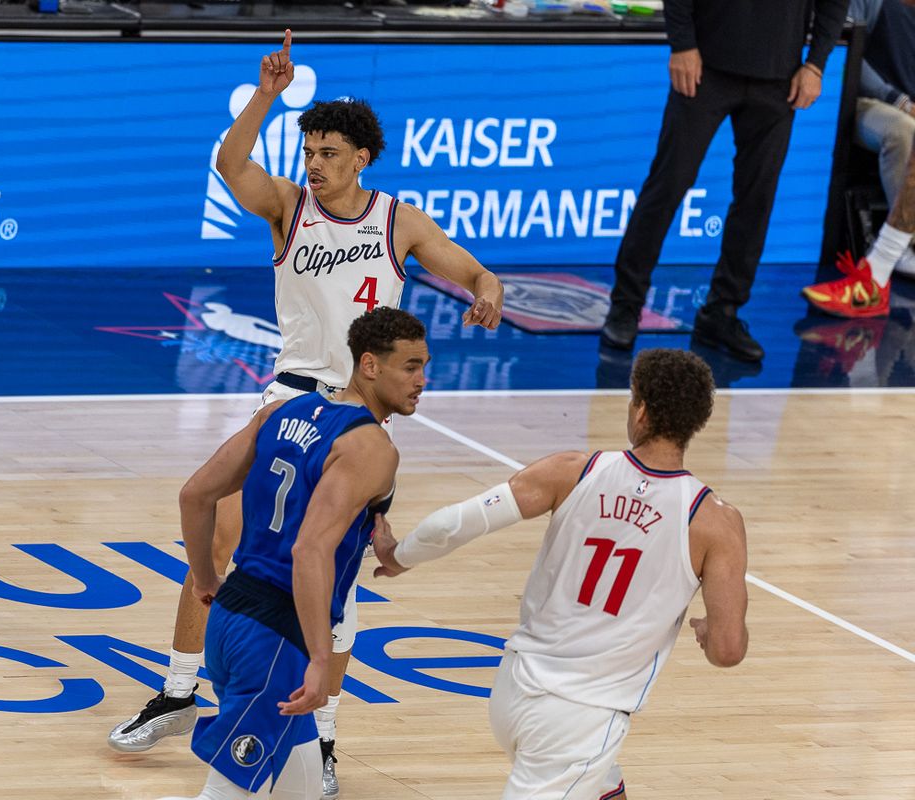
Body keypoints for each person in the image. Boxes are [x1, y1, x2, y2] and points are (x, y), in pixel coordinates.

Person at [110, 29, 504, 800]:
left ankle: (321, 735)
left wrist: (486, 292)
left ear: (362, 157)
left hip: (360, 416)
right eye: (309, 150)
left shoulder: (400, 221)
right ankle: (182, 688)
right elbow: (230, 165)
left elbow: (472, 269)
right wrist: (267, 93)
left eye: (328, 152)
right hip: (290, 393)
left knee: (338, 573)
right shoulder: (289, 209)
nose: (314, 164)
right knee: (221, 530)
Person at [372, 348, 749, 800]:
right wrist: (709, 629)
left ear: (642, 411)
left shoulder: (572, 471)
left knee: (604, 784)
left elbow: (453, 524)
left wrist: (399, 556)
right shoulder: (715, 522)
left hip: (513, 691)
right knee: (583, 766)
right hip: (581, 719)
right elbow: (727, 651)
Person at [157, 307, 428, 800]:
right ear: (369, 365)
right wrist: (322, 657)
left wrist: (204, 581)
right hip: (278, 636)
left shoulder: (278, 413)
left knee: (299, 789)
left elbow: (195, 496)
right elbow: (309, 550)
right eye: (410, 366)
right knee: (226, 792)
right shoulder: (371, 447)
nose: (422, 380)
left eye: (424, 366)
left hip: (232, 614)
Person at [600, 0, 849, 362]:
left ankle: (723, 311)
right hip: (705, 66)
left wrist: (816, 63)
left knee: (757, 198)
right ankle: (626, 304)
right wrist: (682, 43)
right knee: (668, 184)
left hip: (779, 77)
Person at [802, 0, 915, 318]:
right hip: (874, 102)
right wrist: (900, 100)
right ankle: (884, 266)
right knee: (908, 133)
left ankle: (880, 269)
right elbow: (847, 48)